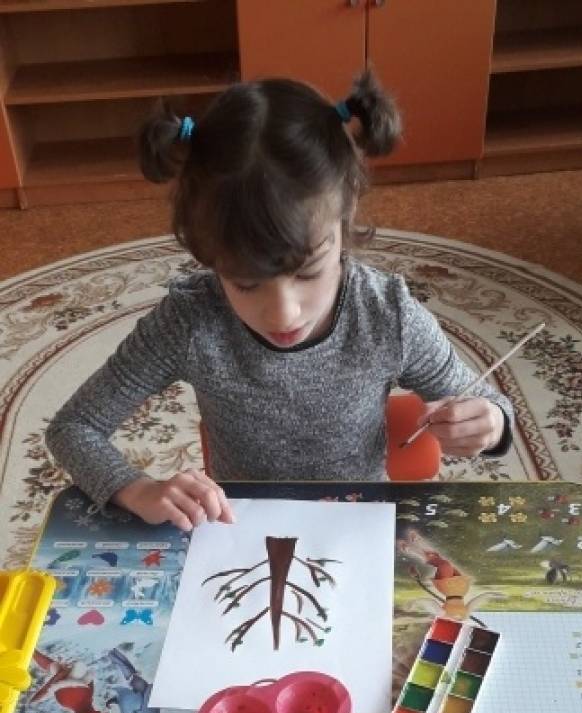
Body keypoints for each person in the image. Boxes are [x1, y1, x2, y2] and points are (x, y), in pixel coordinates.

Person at [46, 72, 513, 533]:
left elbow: (491, 405)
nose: (284, 313)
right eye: (246, 283)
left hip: (357, 529)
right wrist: (137, 489)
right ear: (208, 254)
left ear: (345, 213)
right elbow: (72, 427)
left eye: (309, 273)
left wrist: (490, 424)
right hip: (240, 529)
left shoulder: (387, 315)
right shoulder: (190, 321)